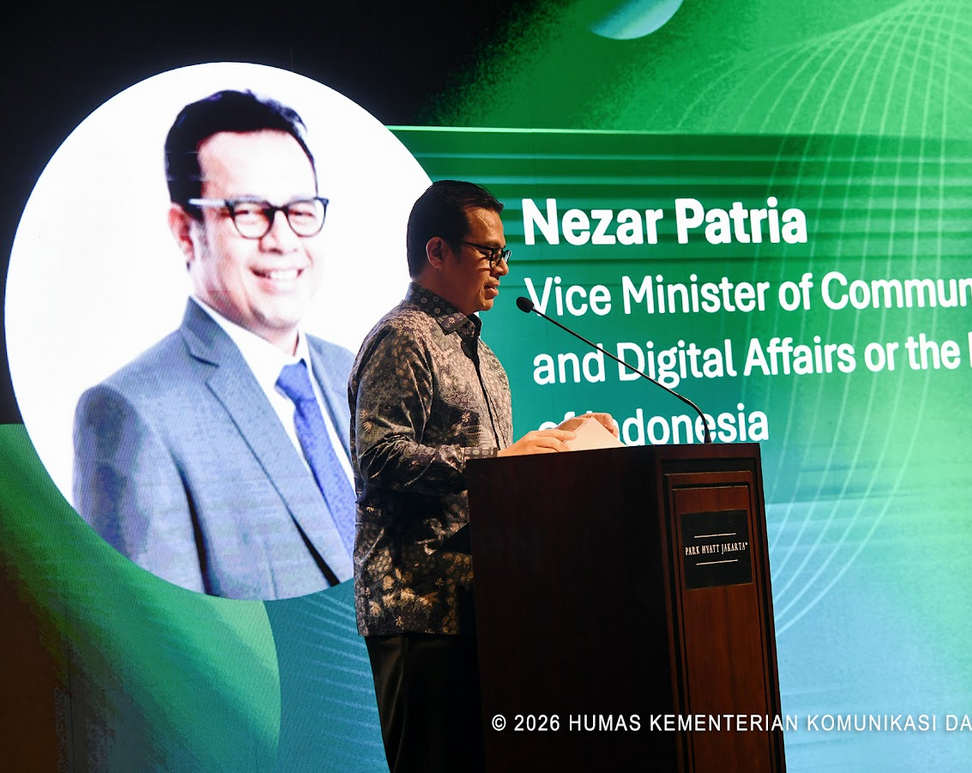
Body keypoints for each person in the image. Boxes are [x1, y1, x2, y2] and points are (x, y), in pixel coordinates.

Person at [349, 180, 618, 772]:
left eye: (504, 253)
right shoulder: (403, 338)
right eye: (488, 252)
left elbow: (495, 472)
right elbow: (379, 455)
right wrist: (498, 463)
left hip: (488, 604)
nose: (502, 268)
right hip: (419, 607)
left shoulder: (485, 359)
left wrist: (566, 440)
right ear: (437, 251)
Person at [73, 90, 355, 600]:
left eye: (300, 209)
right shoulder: (132, 414)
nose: (282, 240)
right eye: (248, 211)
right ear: (186, 232)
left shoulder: (356, 372)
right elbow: (166, 640)